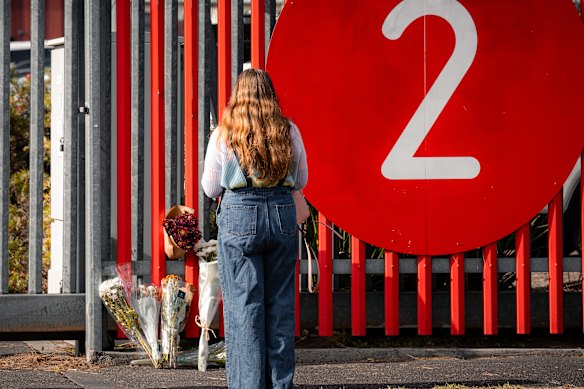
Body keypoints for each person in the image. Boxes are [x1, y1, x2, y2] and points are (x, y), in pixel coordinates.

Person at [201, 68, 308, 389]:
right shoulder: (288, 130)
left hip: (240, 219)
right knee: (279, 308)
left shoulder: (225, 133)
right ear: (271, 96)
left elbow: (210, 188)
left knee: (244, 309)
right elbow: (301, 180)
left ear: (238, 96)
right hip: (280, 216)